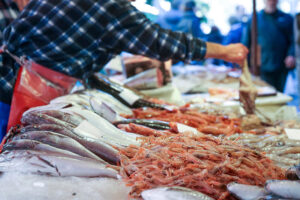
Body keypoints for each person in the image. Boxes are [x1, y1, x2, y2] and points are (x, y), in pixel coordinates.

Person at [0, 0, 248, 138]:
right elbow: (161, 43)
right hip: (19, 90)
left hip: (12, 73)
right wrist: (224, 51)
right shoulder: (112, 7)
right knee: (14, 150)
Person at [242, 0, 295, 92]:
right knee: (265, 91)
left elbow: (293, 40)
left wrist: (291, 54)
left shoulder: (287, 18)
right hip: (262, 64)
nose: (271, 2)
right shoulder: (255, 18)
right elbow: (247, 42)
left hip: (281, 63)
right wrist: (246, 64)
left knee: (279, 91)